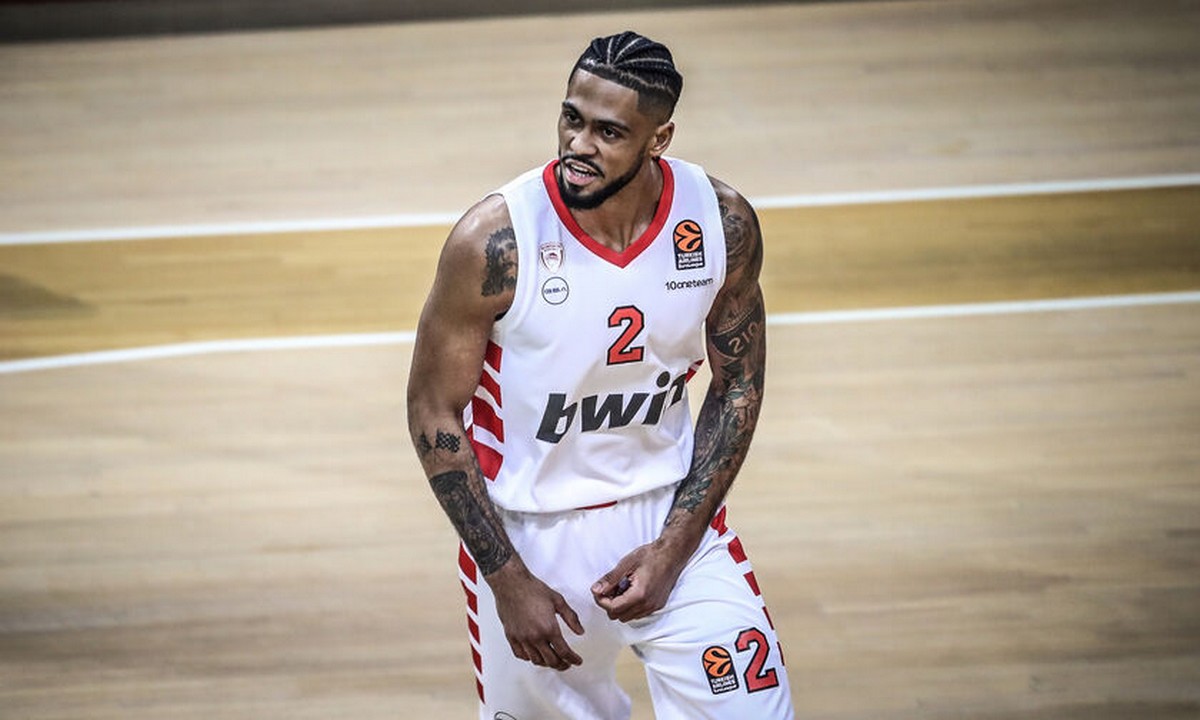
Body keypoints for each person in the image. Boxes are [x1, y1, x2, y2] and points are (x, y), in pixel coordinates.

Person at [407, 30, 794, 720]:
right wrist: (506, 578)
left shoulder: (719, 224)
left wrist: (675, 547)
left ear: (659, 139)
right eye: (572, 118)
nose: (578, 144)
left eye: (609, 132)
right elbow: (433, 411)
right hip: (530, 533)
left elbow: (739, 383)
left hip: (671, 514)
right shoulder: (495, 242)